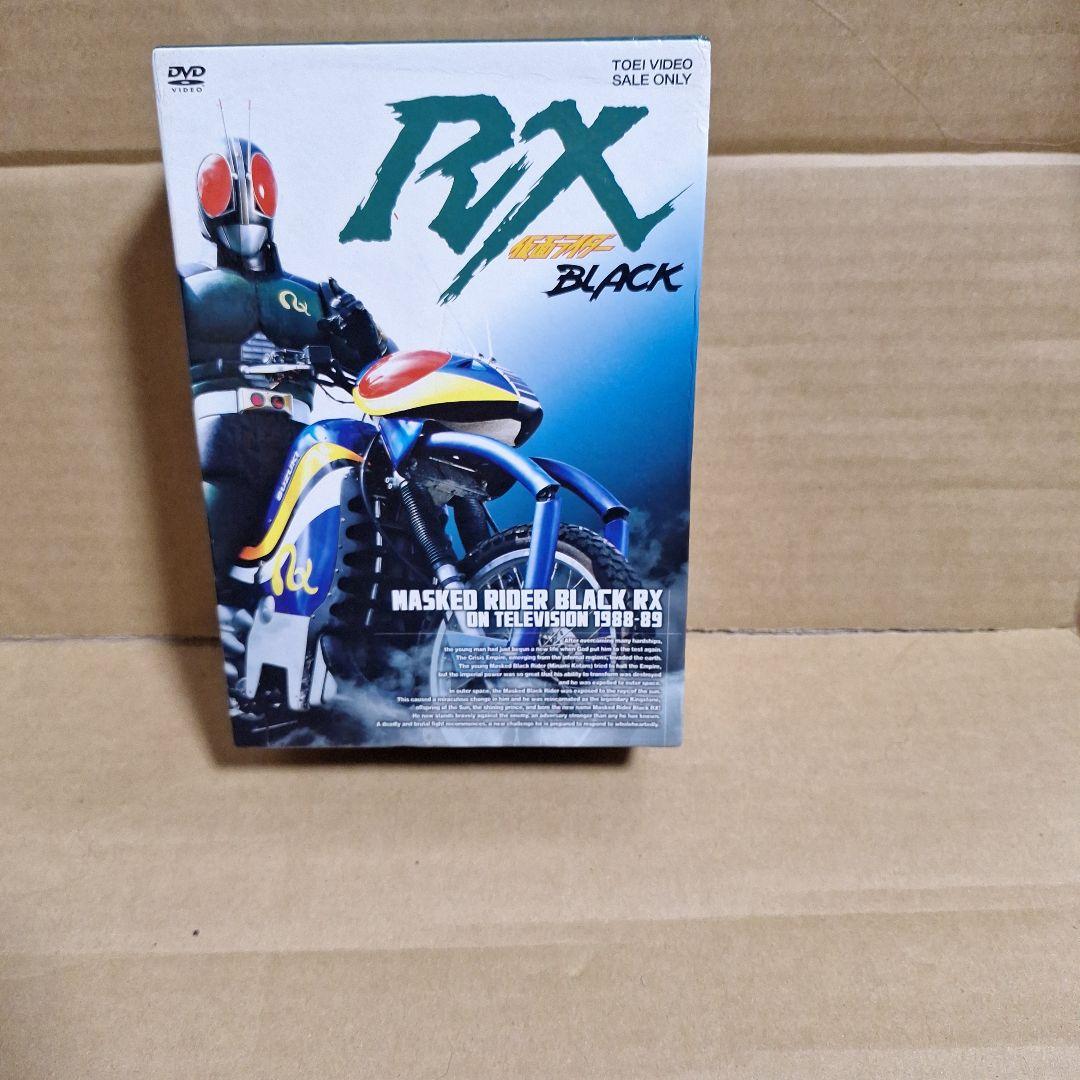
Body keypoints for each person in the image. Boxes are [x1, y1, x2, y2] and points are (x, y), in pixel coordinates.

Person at [180, 136, 392, 611]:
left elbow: (386, 368)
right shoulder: (185, 286)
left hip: (307, 455)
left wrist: (366, 341)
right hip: (224, 454)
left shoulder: (321, 297)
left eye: (251, 186)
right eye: (224, 188)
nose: (241, 201)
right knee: (202, 590)